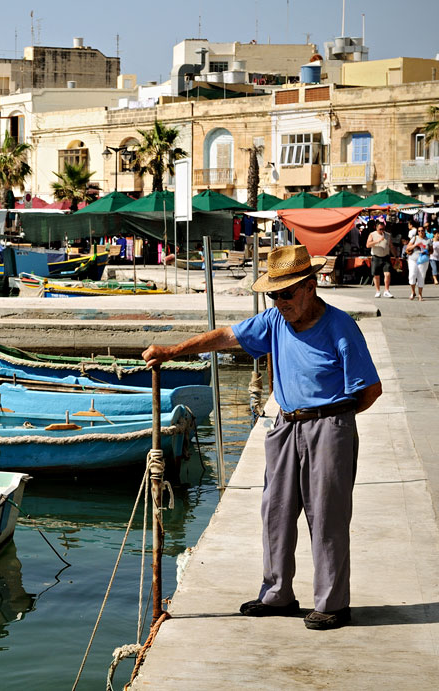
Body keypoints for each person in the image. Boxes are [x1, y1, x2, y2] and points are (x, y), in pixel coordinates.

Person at [142, 245, 382, 630]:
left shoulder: (341, 327)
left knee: (327, 517)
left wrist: (333, 423)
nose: (280, 301)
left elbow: (370, 389)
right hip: (286, 425)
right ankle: (277, 594)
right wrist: (172, 352)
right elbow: (225, 337)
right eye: (274, 294)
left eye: (287, 293)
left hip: (329, 425)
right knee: (276, 511)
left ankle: (333, 604)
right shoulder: (273, 321)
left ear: (310, 286)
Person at [365, 220, 394, 298]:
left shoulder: (388, 235)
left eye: (383, 229)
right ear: (376, 228)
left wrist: (396, 256)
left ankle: (386, 290)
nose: (382, 231)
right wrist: (377, 241)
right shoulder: (372, 235)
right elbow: (368, 245)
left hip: (386, 256)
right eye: (380, 229)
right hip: (376, 256)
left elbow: (391, 246)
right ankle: (378, 291)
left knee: (387, 274)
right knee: (376, 275)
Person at [407, 227, 430, 301]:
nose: (421, 232)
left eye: (422, 231)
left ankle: (420, 294)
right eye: (419, 231)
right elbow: (408, 248)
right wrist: (415, 245)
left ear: (424, 231)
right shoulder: (414, 238)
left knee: (421, 277)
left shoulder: (428, 240)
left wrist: (426, 251)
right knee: (412, 275)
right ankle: (413, 292)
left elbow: (431, 251)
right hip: (413, 259)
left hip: (423, 260)